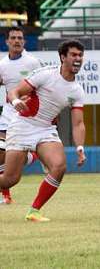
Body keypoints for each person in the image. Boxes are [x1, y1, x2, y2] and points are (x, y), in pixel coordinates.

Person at [0, 40, 87, 222]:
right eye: (73, 55)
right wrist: (16, 102)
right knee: (10, 179)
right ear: (63, 57)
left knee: (59, 166)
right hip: (22, 125)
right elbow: (14, 92)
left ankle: (34, 211)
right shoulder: (45, 74)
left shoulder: (77, 91)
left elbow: (78, 123)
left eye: (80, 55)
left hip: (46, 128)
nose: (78, 59)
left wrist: (80, 148)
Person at [0, 26, 43, 204]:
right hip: (8, 116)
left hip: (27, 116)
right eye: (13, 38)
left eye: (20, 38)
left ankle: (33, 156)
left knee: (14, 156)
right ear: (7, 41)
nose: (17, 41)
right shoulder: (2, 64)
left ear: (24, 41)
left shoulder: (32, 62)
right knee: (2, 152)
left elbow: (43, 86)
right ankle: (5, 196)